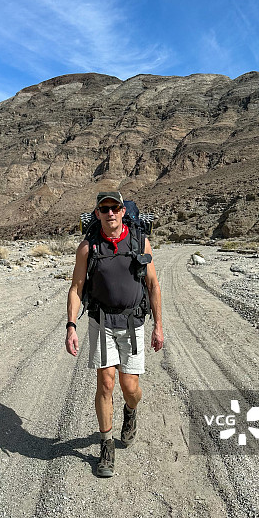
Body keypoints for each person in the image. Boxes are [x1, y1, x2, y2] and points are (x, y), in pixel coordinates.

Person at [65, 191, 164, 478]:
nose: (110, 213)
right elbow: (76, 288)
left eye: (115, 208)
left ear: (123, 212)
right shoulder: (88, 248)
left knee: (129, 388)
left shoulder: (139, 242)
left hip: (133, 324)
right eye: (104, 209)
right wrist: (71, 325)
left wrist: (158, 326)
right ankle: (106, 445)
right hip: (101, 322)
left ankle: (130, 411)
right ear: (97, 214)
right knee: (106, 383)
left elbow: (153, 285)